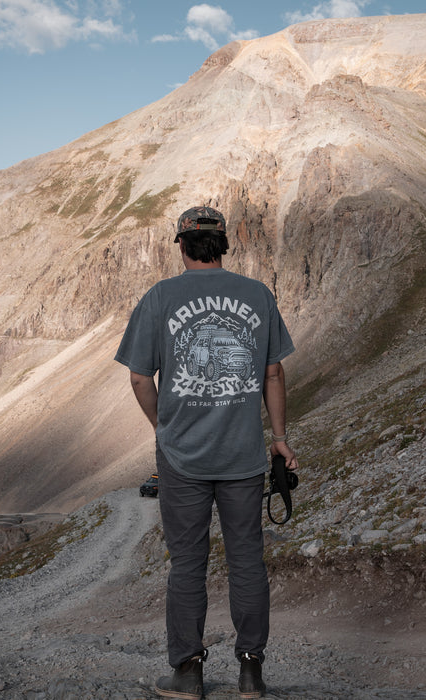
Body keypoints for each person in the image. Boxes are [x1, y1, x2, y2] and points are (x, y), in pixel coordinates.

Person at [115, 205, 298, 699]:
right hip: (243, 456)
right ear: (223, 244)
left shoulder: (160, 297)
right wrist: (279, 439)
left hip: (181, 459)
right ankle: (251, 674)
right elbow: (273, 373)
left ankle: (188, 673)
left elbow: (138, 376)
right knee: (247, 562)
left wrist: (164, 427)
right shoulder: (258, 295)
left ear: (180, 245)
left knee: (188, 564)